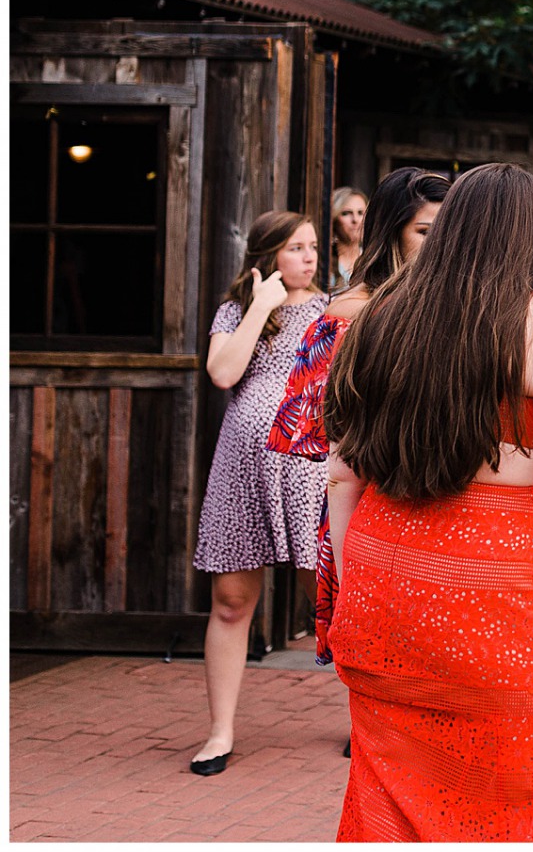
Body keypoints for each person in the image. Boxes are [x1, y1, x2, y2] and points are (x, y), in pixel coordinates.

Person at [325, 163, 533, 840]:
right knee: (508, 792)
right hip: (487, 600)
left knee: (388, 791)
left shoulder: (380, 315)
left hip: (382, 586)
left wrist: (348, 590)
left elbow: (341, 473)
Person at [268, 167, 450, 673]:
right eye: (424, 233)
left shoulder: (451, 311)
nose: (439, 246)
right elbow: (322, 443)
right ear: (390, 232)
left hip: (452, 513)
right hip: (376, 511)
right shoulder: (348, 314)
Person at [189, 211, 329, 776]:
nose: (309, 257)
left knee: (330, 598)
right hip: (242, 472)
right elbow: (223, 373)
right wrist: (260, 307)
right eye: (296, 248)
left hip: (309, 470)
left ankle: (365, 722)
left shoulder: (331, 309)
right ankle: (220, 731)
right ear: (267, 254)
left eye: (313, 247)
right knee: (230, 602)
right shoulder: (238, 310)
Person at [328, 186, 367, 290]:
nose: (355, 220)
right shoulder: (325, 261)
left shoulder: (371, 257)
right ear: (334, 219)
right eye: (346, 213)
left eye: (360, 213)